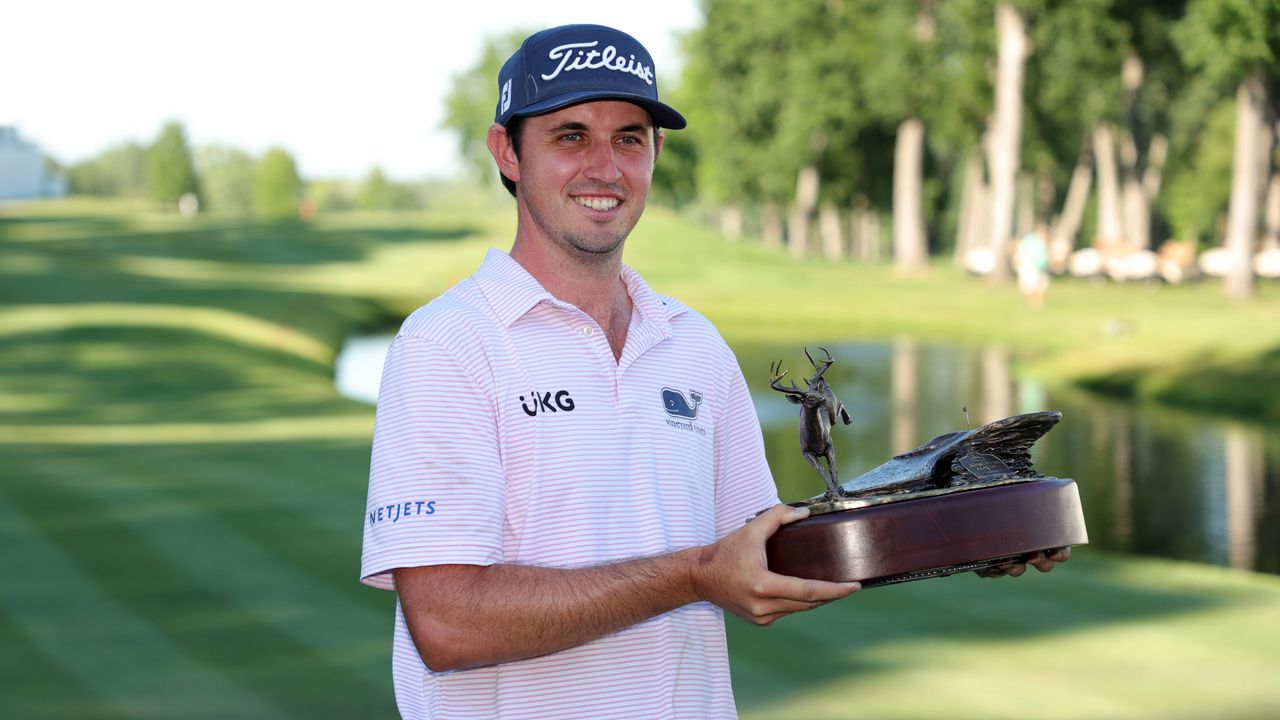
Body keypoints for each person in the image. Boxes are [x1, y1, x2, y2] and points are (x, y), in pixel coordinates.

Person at [360, 24, 1065, 720]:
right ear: (507, 152)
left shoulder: (692, 344)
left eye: (629, 138)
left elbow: (771, 558)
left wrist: (964, 525)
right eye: (570, 136)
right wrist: (693, 574)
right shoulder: (448, 344)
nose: (605, 166)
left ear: (656, 152)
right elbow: (449, 624)